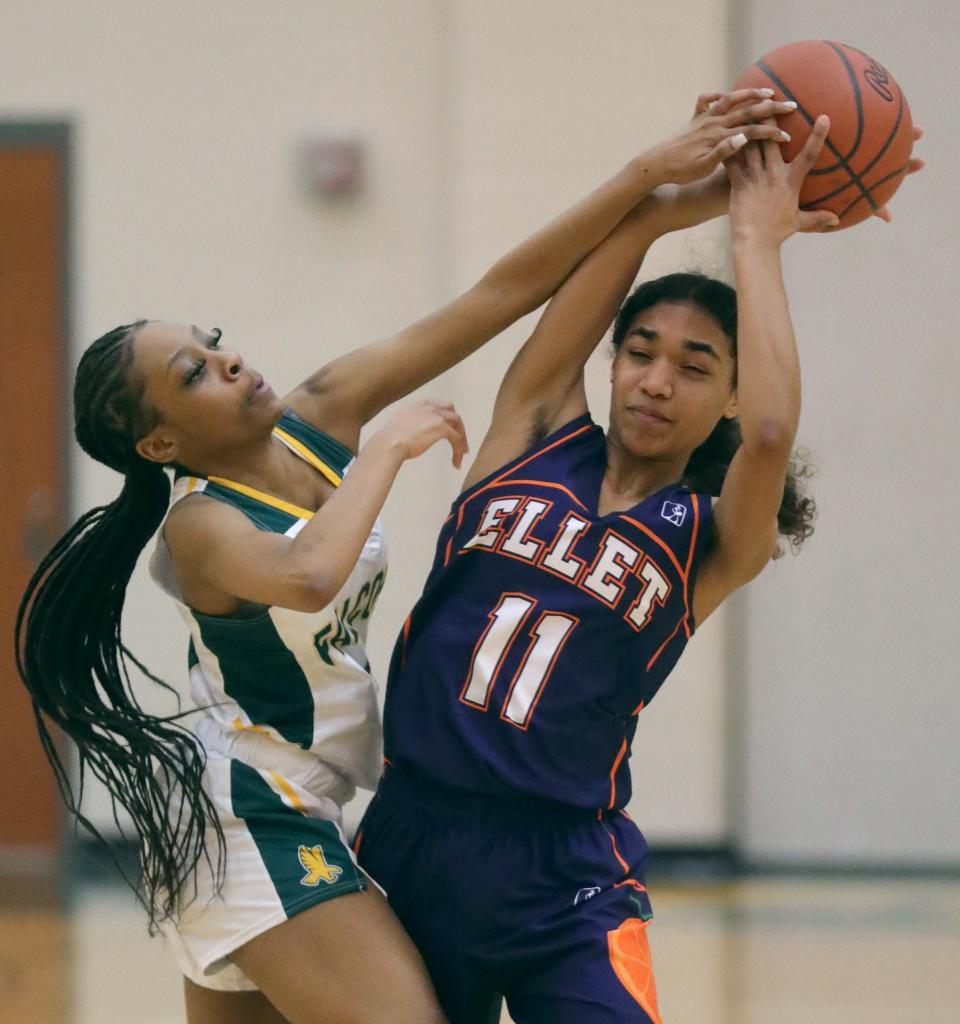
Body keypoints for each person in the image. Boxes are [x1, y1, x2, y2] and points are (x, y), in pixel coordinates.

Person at [14, 89, 795, 1024]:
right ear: (160, 445)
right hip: (256, 811)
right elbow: (308, 578)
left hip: (349, 817)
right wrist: (384, 450)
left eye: (213, 346)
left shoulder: (318, 412)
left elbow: (498, 296)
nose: (226, 364)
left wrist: (674, 194)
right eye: (193, 374)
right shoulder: (203, 525)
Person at [355, 114, 925, 1024]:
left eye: (695, 367)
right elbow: (563, 293)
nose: (656, 381)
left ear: (731, 394)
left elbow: (773, 435)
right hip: (415, 833)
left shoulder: (709, 538)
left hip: (565, 872)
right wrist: (662, 201)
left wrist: (756, 240)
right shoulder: (534, 433)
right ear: (612, 363)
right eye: (640, 352)